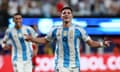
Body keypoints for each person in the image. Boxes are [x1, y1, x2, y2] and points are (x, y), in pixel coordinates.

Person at [25, 7, 110, 72]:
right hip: (60, 64)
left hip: (75, 65)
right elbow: (45, 40)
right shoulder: (55, 29)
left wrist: (102, 44)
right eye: (64, 13)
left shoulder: (78, 29)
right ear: (61, 16)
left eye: (68, 13)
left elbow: (90, 43)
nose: (66, 14)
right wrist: (32, 39)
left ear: (72, 16)